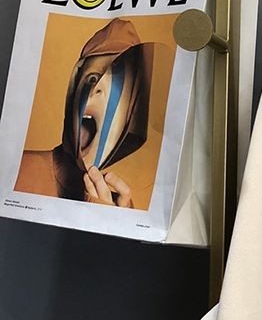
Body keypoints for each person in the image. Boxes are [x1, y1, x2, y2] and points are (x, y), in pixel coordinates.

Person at [15, 17, 157, 206]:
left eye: (118, 86)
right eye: (93, 78)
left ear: (132, 113)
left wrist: (116, 221)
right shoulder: (16, 170)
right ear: (74, 92)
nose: (96, 89)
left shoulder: (120, 207)